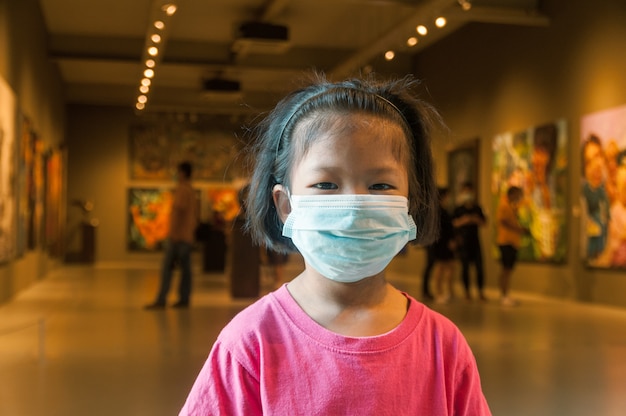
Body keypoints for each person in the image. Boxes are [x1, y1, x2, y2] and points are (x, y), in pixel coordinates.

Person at [179, 74, 491, 415]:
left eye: (380, 186)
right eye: (326, 184)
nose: (354, 207)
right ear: (286, 205)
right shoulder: (250, 343)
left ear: (411, 203)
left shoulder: (443, 346)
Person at [145, 161, 197, 309]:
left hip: (179, 237)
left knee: (167, 268)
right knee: (185, 270)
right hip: (186, 236)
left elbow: (179, 212)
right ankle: (184, 298)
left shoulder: (182, 190)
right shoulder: (191, 190)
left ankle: (162, 299)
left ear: (182, 173)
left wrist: (173, 234)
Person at [452, 182, 487, 301]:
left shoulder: (477, 208)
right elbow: (454, 223)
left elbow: (484, 223)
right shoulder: (458, 209)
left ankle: (480, 291)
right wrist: (464, 220)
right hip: (463, 242)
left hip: (475, 241)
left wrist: (475, 220)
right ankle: (466, 292)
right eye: (465, 192)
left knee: (479, 267)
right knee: (465, 267)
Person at [496, 186, 528, 306]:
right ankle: (503, 295)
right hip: (506, 241)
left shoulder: (512, 207)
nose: (519, 198)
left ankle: (506, 294)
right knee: (506, 269)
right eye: (518, 195)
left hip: (512, 242)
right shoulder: (504, 206)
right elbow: (503, 221)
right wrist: (519, 229)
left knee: (508, 270)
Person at [581, 134, 610, 264]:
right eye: (588, 161)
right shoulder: (582, 196)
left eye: (598, 156)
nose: (596, 165)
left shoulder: (606, 192)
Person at [431, 187, 457, 304]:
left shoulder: (445, 211)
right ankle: (439, 292)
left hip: (446, 242)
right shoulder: (438, 211)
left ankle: (449, 291)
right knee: (440, 267)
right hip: (441, 243)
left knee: (451, 266)